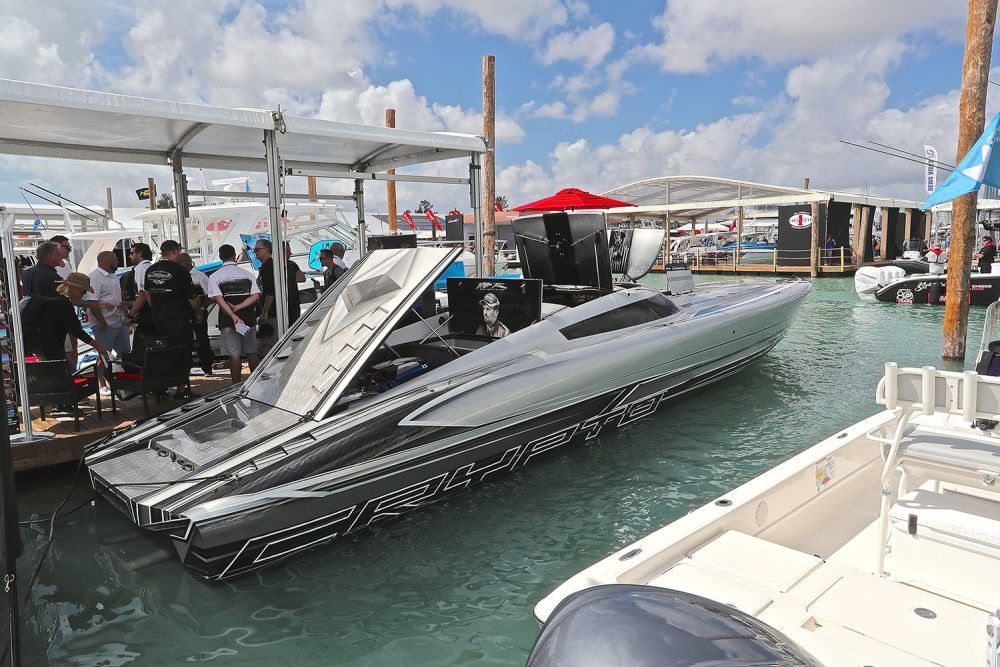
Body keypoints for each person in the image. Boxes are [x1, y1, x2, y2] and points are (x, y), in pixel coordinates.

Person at [126, 240, 199, 397]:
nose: (179, 254)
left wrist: (157, 309)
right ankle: (182, 389)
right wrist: (198, 314)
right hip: (178, 319)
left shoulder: (150, 270)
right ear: (174, 252)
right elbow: (192, 297)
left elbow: (146, 293)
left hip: (158, 319)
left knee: (162, 353)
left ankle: (160, 386)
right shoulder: (180, 270)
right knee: (182, 353)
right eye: (178, 251)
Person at [208, 244, 261, 384]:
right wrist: (240, 306)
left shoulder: (214, 277)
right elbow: (256, 296)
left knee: (234, 354)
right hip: (248, 319)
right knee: (251, 352)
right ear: (235, 256)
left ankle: (236, 384)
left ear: (220, 257)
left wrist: (233, 316)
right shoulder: (248, 275)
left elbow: (220, 300)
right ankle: (255, 383)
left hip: (228, 320)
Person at [33, 272, 107, 365]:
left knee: (68, 371)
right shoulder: (64, 304)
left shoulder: (53, 297)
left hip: (41, 346)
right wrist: (96, 345)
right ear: (73, 288)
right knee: (68, 373)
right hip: (51, 347)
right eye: (82, 291)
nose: (83, 295)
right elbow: (75, 330)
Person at [86, 250, 130, 394]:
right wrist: (102, 322)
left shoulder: (113, 277)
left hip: (118, 320)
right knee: (103, 354)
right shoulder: (94, 277)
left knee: (123, 350)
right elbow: (92, 302)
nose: (117, 262)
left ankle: (116, 377)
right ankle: (102, 383)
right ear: (106, 261)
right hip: (103, 323)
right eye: (115, 259)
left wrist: (122, 308)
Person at [254, 239, 304, 354]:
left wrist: (265, 312)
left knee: (268, 345)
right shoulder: (272, 266)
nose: (255, 252)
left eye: (257, 250)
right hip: (277, 312)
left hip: (273, 313)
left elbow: (270, 291)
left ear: (266, 250)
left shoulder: (270, 266)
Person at [179, 252, 215, 375]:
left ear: (189, 262)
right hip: (183, 313)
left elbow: (209, 295)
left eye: (182, 261)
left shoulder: (200, 277)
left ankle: (207, 367)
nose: (180, 264)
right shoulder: (179, 276)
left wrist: (202, 309)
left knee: (202, 339)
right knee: (185, 341)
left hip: (197, 311)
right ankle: (186, 368)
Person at [121, 243, 153, 334]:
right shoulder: (150, 267)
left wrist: (129, 316)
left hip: (147, 315)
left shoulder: (141, 269)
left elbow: (143, 295)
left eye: (131, 253)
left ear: (139, 254)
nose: (129, 256)